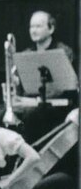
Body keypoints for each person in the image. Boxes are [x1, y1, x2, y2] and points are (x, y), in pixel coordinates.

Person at [10, 10, 78, 144]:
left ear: (51, 28)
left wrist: (32, 100)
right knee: (2, 114)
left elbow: (62, 87)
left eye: (38, 26)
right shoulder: (26, 53)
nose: (33, 30)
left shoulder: (63, 51)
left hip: (58, 105)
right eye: (31, 26)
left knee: (32, 115)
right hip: (32, 103)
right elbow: (22, 88)